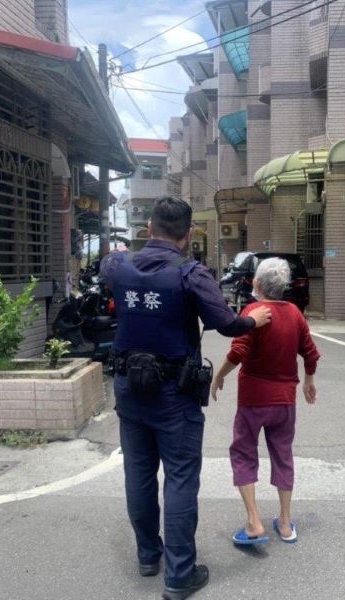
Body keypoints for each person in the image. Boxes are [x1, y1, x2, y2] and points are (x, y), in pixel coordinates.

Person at [100, 197, 272, 600]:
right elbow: (226, 323)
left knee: (138, 474)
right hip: (173, 393)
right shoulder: (190, 273)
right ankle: (179, 575)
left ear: (148, 228)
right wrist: (254, 319)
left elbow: (110, 261)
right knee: (179, 478)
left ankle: (148, 556)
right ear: (188, 233)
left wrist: (121, 251)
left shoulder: (117, 267)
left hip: (128, 387)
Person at [210, 257, 320, 546]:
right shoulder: (295, 313)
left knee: (244, 452)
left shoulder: (253, 311)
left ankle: (254, 521)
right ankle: (284, 523)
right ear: (284, 286)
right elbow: (310, 353)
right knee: (282, 455)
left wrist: (218, 376)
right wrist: (308, 381)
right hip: (284, 401)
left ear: (257, 284)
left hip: (253, 400)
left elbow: (238, 352)